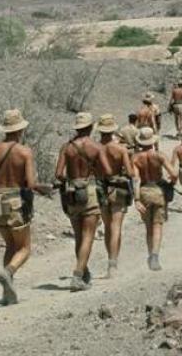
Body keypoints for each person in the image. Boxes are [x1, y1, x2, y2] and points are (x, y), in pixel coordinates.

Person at [0, 109, 38, 305]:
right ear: (20, 130)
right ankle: (8, 272)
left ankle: (7, 294)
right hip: (15, 201)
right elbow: (30, 183)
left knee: (10, 246)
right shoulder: (24, 152)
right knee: (24, 248)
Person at [55, 112, 112, 290]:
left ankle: (84, 271)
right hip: (89, 190)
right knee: (88, 235)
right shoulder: (96, 147)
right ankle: (78, 275)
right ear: (91, 127)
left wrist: (72, 179)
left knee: (79, 235)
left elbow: (58, 174)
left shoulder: (67, 147)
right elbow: (107, 171)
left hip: (72, 191)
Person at [129, 127, 177, 271]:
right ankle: (155, 256)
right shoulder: (159, 156)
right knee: (158, 225)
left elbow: (136, 180)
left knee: (148, 227)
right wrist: (171, 183)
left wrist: (137, 200)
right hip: (158, 191)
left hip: (144, 191)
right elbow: (174, 174)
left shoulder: (135, 158)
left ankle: (150, 254)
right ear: (152, 141)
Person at [96, 114, 132, 278]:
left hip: (100, 188)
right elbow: (130, 172)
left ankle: (110, 261)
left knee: (107, 226)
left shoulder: (95, 149)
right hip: (117, 189)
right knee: (116, 227)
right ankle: (113, 264)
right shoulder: (120, 149)